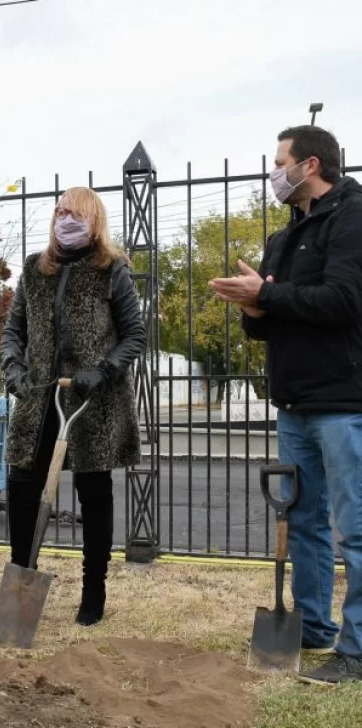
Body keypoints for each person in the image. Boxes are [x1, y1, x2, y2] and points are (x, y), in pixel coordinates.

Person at [210, 125, 362, 684]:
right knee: (304, 522)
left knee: (356, 528)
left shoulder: (353, 217)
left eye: (280, 162)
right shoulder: (283, 238)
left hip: (345, 401)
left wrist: (266, 295)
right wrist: (254, 310)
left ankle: (359, 647)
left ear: (311, 164)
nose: (273, 172)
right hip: (293, 402)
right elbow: (269, 326)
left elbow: (344, 300)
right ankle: (316, 625)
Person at [0, 186, 145, 626]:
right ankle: (21, 582)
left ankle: (93, 590)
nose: (65, 218)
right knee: (23, 489)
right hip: (39, 399)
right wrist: (14, 371)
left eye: (75, 213)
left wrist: (103, 370)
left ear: (93, 221)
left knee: (94, 494)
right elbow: (13, 331)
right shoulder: (33, 270)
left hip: (91, 402)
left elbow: (134, 335)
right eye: (60, 210)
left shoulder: (112, 270)